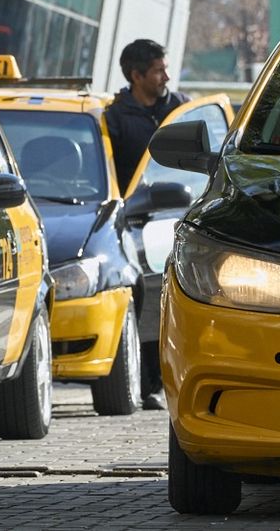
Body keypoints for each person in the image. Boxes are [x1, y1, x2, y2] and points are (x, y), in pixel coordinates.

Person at [104, 39, 190, 411]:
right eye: (157, 70)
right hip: (135, 222)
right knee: (146, 301)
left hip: (179, 216)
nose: (166, 76)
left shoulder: (181, 109)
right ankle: (145, 383)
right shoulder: (115, 118)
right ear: (136, 76)